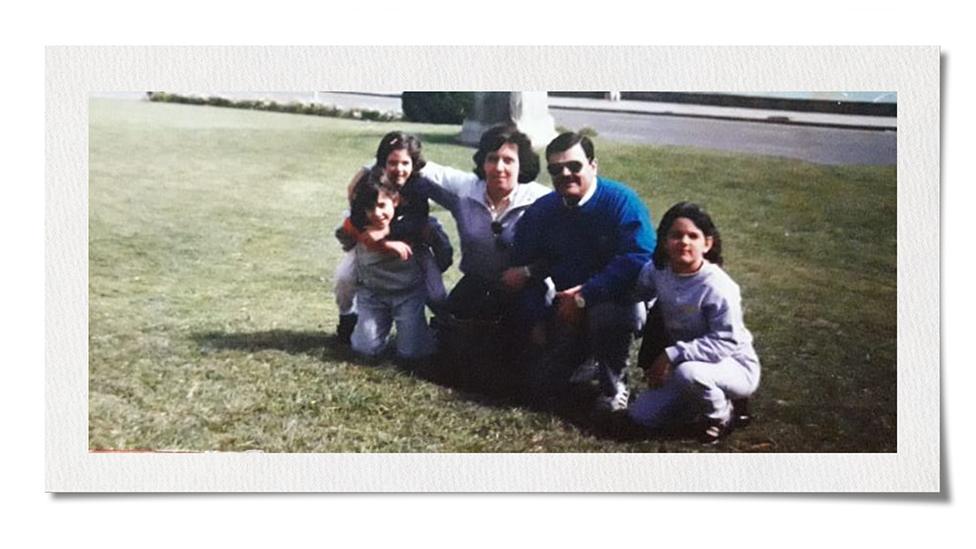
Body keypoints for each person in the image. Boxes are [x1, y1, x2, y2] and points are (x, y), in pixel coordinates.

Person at [502, 132, 656, 412]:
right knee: (540, 384)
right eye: (556, 169)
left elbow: (640, 257)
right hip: (565, 307)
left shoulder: (621, 201)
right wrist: (535, 316)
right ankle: (590, 360)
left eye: (574, 166)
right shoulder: (543, 210)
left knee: (610, 310)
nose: (565, 174)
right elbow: (522, 263)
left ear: (593, 166)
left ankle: (614, 385)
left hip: (615, 298)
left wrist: (587, 294)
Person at [627, 202, 761, 444]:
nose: (684, 242)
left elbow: (726, 341)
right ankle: (701, 402)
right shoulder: (658, 270)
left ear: (707, 243)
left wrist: (671, 354)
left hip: (732, 364)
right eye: (676, 235)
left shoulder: (718, 286)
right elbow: (637, 293)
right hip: (686, 363)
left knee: (690, 373)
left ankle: (722, 416)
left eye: (693, 236)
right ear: (665, 241)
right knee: (641, 415)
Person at [334, 131, 452, 344]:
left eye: (405, 163)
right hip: (370, 237)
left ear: (414, 164)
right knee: (344, 276)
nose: (399, 169)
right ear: (383, 163)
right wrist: (374, 237)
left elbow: (418, 221)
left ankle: (444, 323)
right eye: (393, 163)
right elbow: (358, 212)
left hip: (411, 237)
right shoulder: (373, 181)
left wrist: (386, 234)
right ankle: (347, 317)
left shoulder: (418, 185)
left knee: (436, 291)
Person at [338, 173, 434, 364]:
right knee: (364, 349)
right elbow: (345, 232)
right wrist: (384, 245)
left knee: (412, 354)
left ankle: (430, 331)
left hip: (407, 295)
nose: (377, 213)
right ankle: (361, 321)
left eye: (382, 206)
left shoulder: (411, 225)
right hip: (372, 294)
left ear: (395, 201)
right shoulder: (359, 224)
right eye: (369, 208)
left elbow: (432, 234)